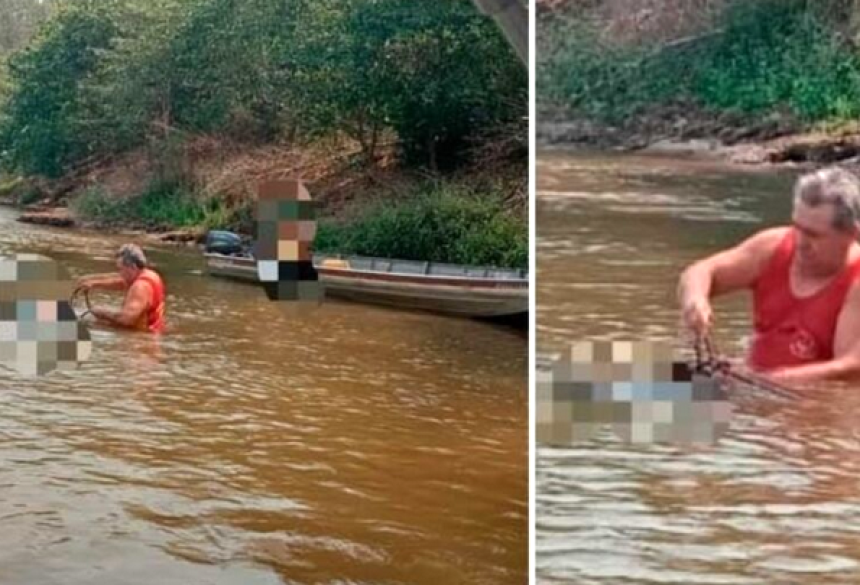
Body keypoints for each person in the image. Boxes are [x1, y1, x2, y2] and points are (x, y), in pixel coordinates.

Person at [677, 166, 860, 384]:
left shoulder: (855, 283)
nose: (800, 242)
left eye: (813, 235)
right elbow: (701, 271)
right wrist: (695, 300)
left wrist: (765, 381)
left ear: (851, 235)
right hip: (756, 384)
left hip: (797, 399)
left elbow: (851, 368)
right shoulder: (772, 247)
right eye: (797, 227)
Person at [74, 244, 166, 333]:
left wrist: (102, 313)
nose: (120, 273)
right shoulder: (151, 275)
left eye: (120, 269)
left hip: (142, 339)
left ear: (132, 267)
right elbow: (122, 283)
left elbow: (125, 320)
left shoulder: (140, 287)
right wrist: (94, 283)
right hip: (153, 332)